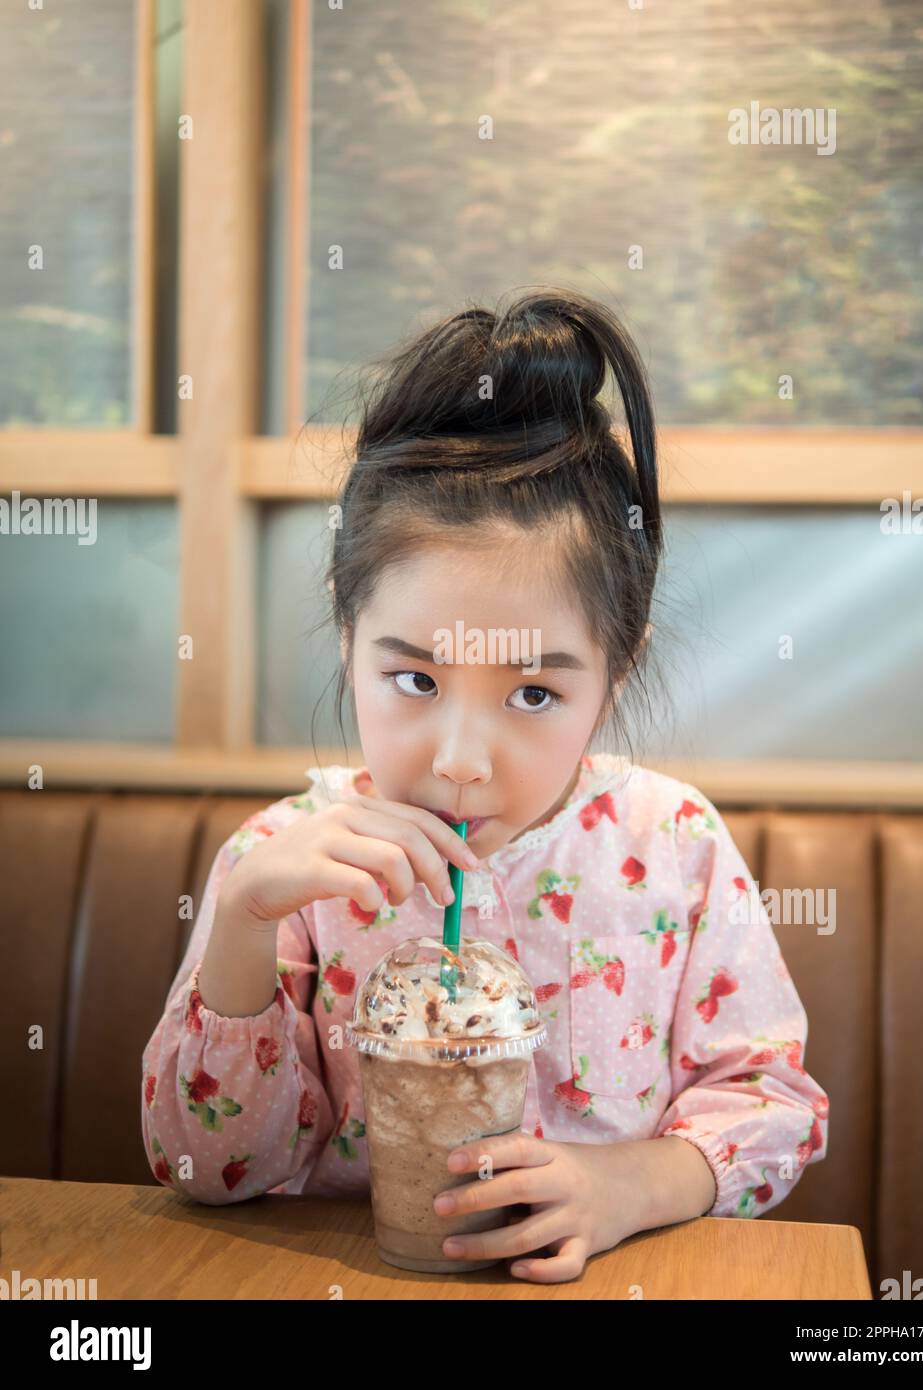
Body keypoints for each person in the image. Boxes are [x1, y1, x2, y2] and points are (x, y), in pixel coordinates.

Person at [141, 286, 828, 1283]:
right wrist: (244, 924)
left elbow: (771, 1103)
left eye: (535, 692)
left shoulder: (671, 843)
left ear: (618, 667)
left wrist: (629, 1184)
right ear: (346, 633)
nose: (462, 756)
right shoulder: (282, 865)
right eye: (415, 678)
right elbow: (204, 1165)